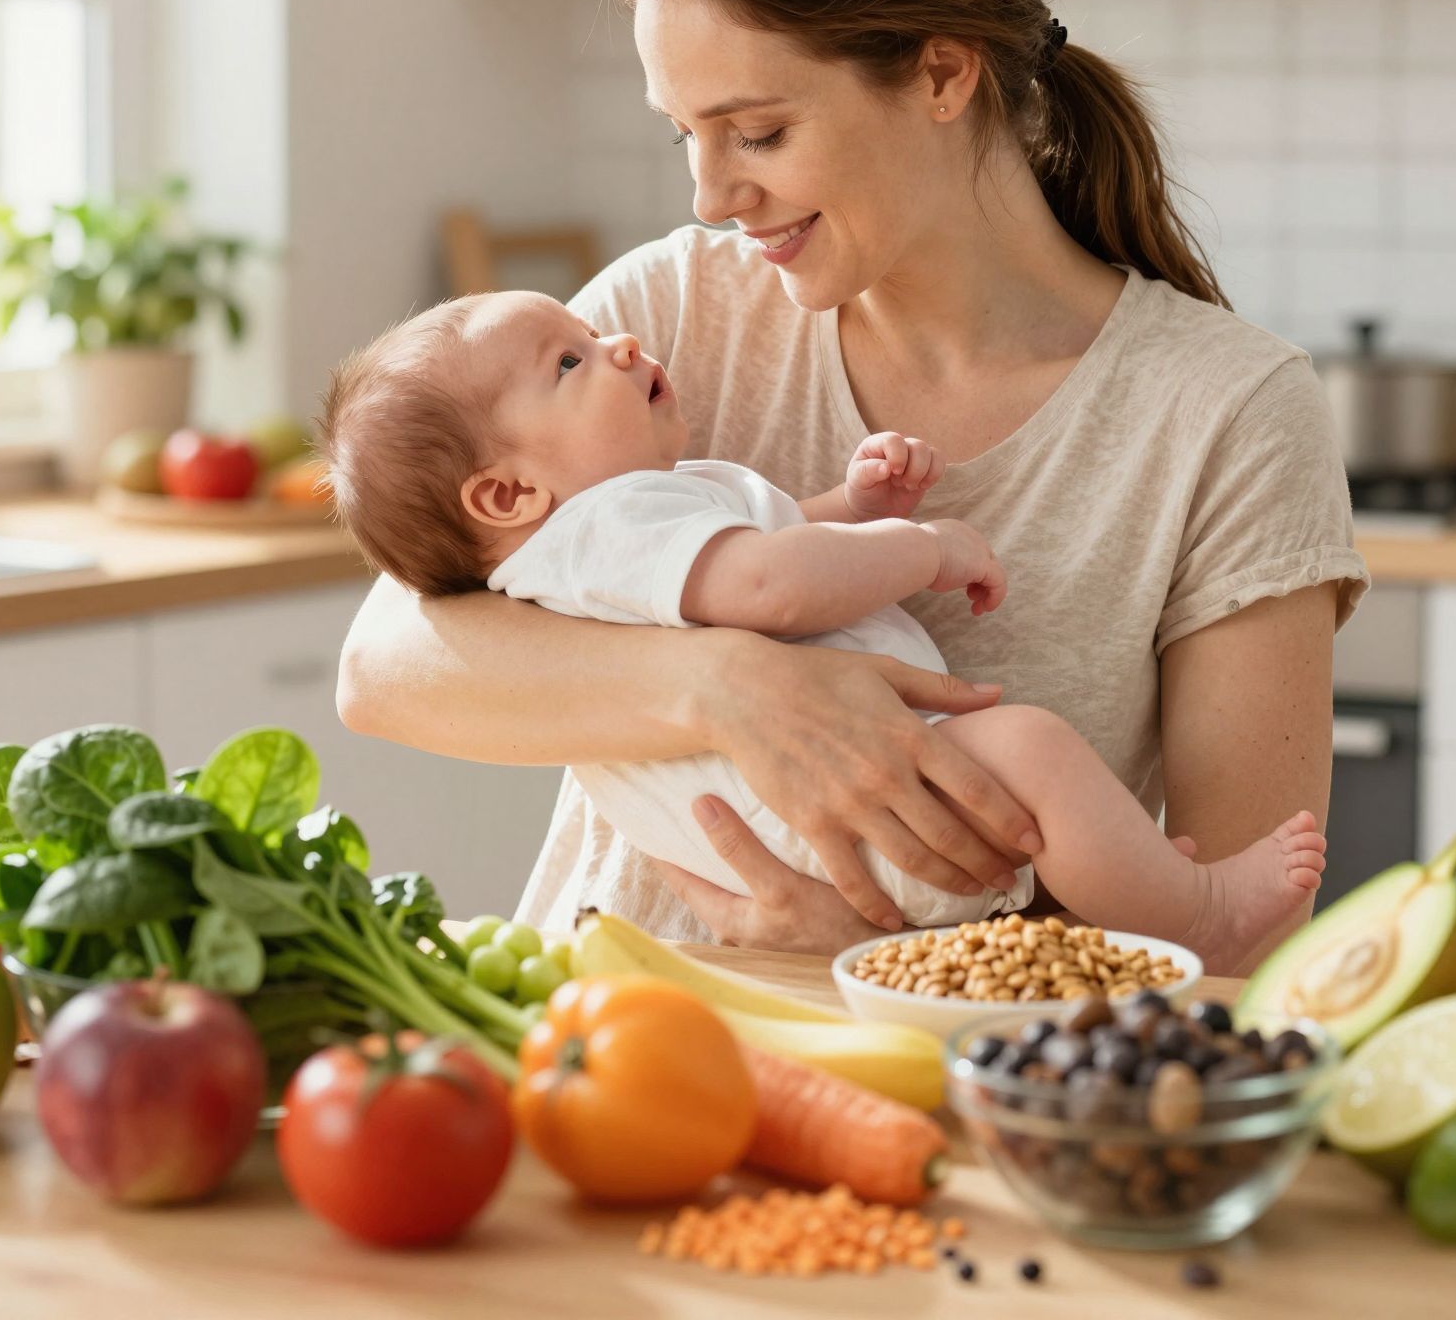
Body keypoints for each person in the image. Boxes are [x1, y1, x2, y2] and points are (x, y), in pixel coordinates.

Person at [335, 0, 1368, 963]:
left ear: (940, 73)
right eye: (686, 136)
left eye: (758, 134)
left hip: (945, 1098)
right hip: (598, 1057)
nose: (711, 197)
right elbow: (387, 670)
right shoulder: (655, 321)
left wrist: (885, 952)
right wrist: (726, 685)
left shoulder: (1223, 414)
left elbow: (1240, 960)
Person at [318, 290, 1329, 969]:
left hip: (833, 882)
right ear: (505, 491)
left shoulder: (620, 514)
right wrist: (922, 545)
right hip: (804, 843)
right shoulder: (598, 528)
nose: (617, 341)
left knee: (1022, 769)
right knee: (1024, 747)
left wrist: (847, 504)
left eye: (758, 129)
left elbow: (768, 543)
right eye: (573, 360)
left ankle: (1154, 892)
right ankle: (1191, 912)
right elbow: (766, 587)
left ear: (940, 76)